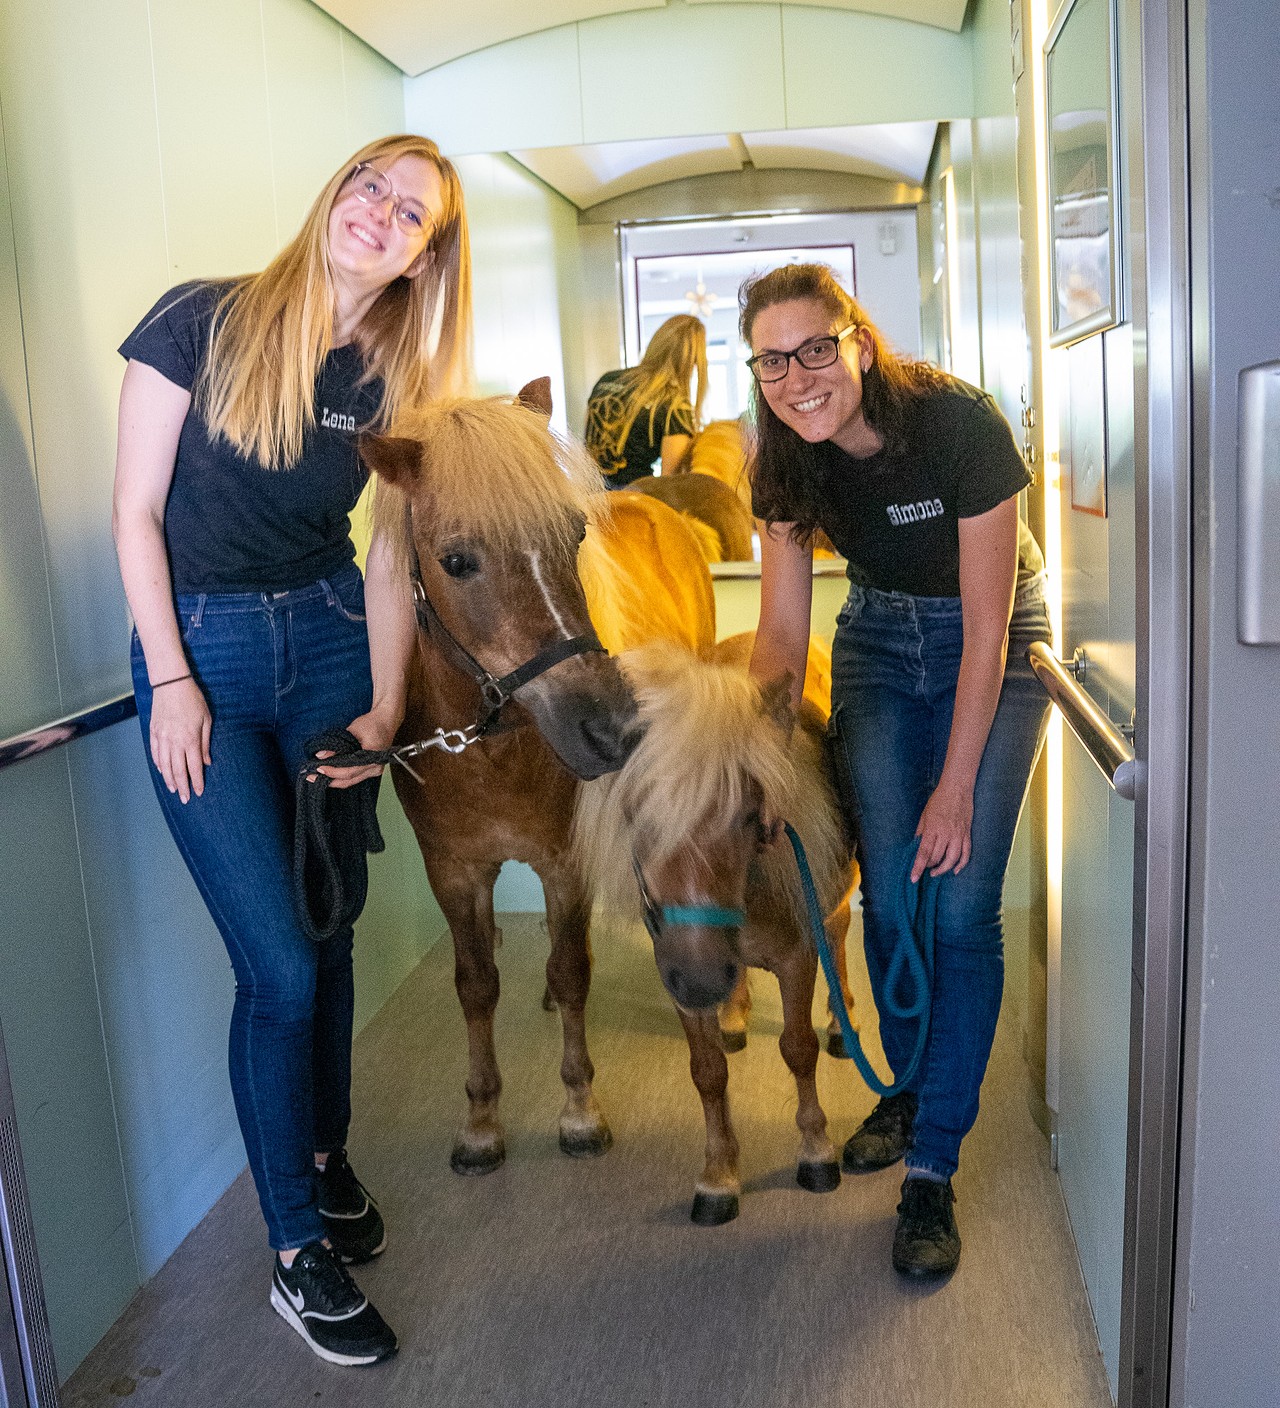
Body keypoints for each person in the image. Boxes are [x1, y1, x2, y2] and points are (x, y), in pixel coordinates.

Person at [112, 135, 472, 1365]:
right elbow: (135, 512)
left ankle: (323, 1159)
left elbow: (382, 559)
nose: (379, 212)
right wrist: (169, 679)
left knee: (327, 929)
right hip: (201, 654)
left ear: (427, 258)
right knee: (275, 964)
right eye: (370, 184)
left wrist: (381, 712)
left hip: (324, 650)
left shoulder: (395, 378)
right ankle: (292, 1253)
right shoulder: (200, 320)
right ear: (336, 193)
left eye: (409, 211)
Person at [741, 263, 1051, 1280]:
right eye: (772, 359)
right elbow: (783, 633)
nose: (797, 376)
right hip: (875, 641)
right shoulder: (781, 457)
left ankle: (932, 1164)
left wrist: (954, 785)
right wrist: (760, 750)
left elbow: (986, 631)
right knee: (886, 897)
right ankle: (905, 1085)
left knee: (957, 905)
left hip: (992, 646)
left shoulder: (956, 425)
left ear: (857, 340)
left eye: (815, 347)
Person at [584, 313, 706, 486]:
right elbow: (669, 481)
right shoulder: (675, 406)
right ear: (693, 361)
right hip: (634, 499)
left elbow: (589, 440)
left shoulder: (607, 379)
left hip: (590, 492)